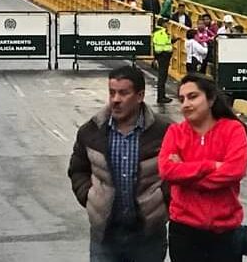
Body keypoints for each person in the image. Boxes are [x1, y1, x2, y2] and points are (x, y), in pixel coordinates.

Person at [68, 65, 172, 262]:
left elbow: (177, 172)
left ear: (140, 96)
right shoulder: (91, 131)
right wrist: (90, 197)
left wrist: (162, 201)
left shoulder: (165, 131)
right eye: (112, 92)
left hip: (148, 236)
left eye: (123, 93)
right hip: (105, 237)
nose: (115, 99)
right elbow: (78, 170)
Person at [158, 74, 247, 262]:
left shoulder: (233, 130)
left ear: (210, 99)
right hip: (184, 232)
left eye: (193, 97)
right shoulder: (175, 132)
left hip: (225, 233)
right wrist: (210, 166)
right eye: (182, 99)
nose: (186, 104)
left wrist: (185, 174)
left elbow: (234, 171)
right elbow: (167, 170)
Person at [152, 20, 175, 104]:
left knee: (163, 76)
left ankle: (162, 96)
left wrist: (173, 41)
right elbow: (162, 45)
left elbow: (166, 43)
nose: (167, 24)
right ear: (162, 24)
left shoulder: (161, 32)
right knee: (162, 77)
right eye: (166, 23)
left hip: (163, 56)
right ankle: (161, 97)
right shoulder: (161, 32)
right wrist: (165, 53)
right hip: (163, 56)